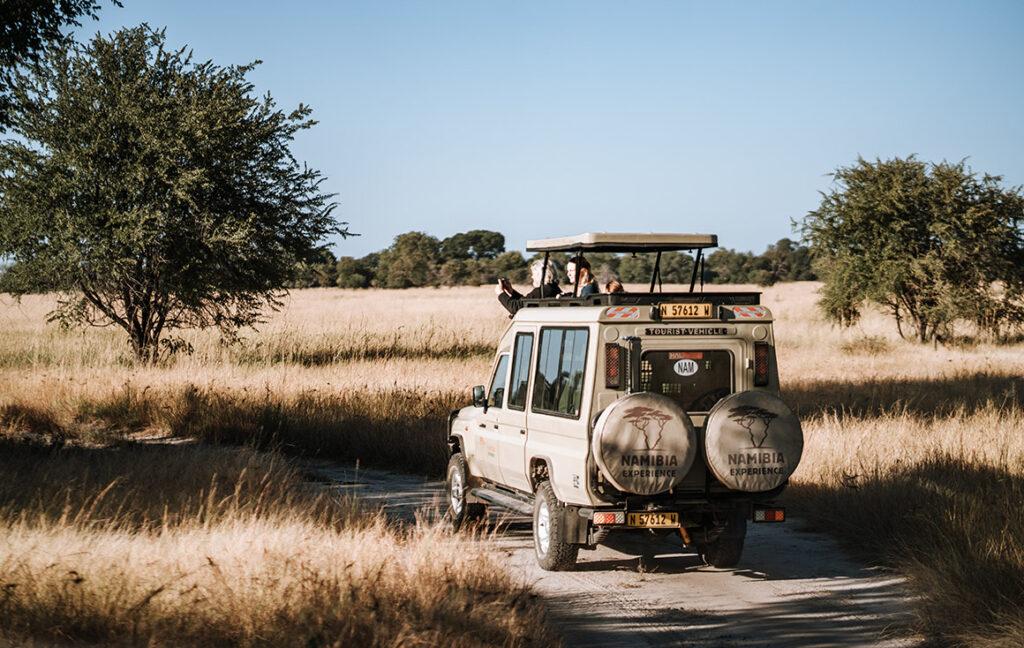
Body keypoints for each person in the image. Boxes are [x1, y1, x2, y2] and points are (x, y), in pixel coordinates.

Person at [496, 258, 562, 315]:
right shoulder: (553, 288)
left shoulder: (542, 291)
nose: (532, 277)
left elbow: (516, 308)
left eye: (534, 274)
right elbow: (526, 302)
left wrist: (501, 293)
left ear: (540, 275)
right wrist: (511, 291)